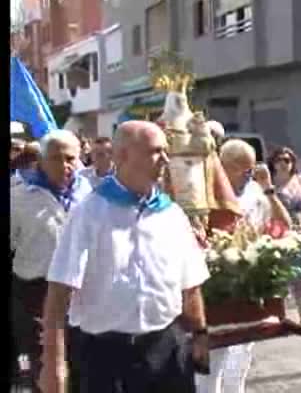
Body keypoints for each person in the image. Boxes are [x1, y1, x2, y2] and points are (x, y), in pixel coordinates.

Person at [39, 121, 211, 393]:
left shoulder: (171, 214)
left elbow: (191, 284)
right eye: (155, 151)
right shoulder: (90, 213)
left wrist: (200, 333)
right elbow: (59, 293)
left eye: (165, 151)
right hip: (105, 356)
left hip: (167, 348)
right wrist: (54, 364)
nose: (165, 159)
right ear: (122, 156)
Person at [196, 139, 292, 393]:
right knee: (214, 360)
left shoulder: (254, 193)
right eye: (243, 168)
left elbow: (282, 225)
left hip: (247, 287)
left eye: (251, 168)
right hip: (215, 290)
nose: (249, 174)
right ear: (224, 166)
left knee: (241, 356)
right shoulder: (205, 194)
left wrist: (268, 189)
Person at [10, 130, 93, 392]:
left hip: (81, 292)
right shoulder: (19, 197)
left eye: (70, 158)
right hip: (36, 294)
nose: (65, 165)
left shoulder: (88, 194)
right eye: (57, 158)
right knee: (44, 368)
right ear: (42, 161)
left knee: (80, 366)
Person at [268, 146, 301, 329]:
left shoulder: (299, 180)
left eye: (287, 160)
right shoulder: (269, 183)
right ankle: (277, 315)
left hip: (300, 234)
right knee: (277, 277)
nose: (283, 164)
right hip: (276, 234)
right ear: (272, 163)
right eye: (279, 160)